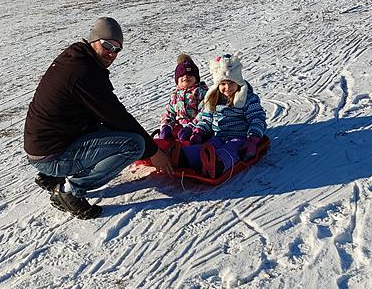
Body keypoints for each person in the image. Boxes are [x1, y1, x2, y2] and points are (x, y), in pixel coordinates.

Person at [24, 17, 171, 219]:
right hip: (51, 154)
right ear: (94, 40)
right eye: (107, 45)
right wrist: (152, 150)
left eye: (117, 49)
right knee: (134, 145)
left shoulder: (78, 55)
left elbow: (108, 116)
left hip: (44, 145)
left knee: (115, 132)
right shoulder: (83, 72)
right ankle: (69, 191)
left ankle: (52, 176)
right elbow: (116, 115)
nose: (112, 53)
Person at [178, 53, 266, 178]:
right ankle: (184, 158)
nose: (227, 88)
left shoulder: (248, 99)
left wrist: (252, 139)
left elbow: (257, 119)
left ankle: (217, 164)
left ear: (238, 82)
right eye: (223, 84)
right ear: (217, 84)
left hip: (239, 137)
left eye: (231, 83)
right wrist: (199, 132)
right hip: (218, 136)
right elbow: (206, 120)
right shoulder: (213, 98)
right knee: (207, 148)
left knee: (230, 151)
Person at [156, 54, 209, 145]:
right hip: (179, 127)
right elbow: (170, 112)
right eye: (182, 77)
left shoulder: (200, 92)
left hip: (196, 127)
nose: (186, 77)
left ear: (196, 79)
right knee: (166, 139)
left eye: (189, 75)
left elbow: (204, 112)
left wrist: (191, 126)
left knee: (191, 139)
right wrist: (166, 126)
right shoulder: (175, 96)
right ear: (177, 82)